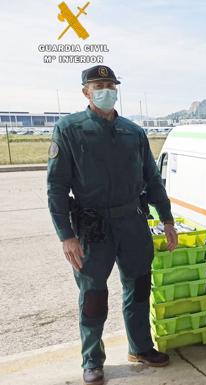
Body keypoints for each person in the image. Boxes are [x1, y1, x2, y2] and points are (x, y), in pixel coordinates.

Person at [47, 65, 178, 385]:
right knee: (93, 295)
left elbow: (152, 179)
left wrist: (167, 219)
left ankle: (141, 347)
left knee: (139, 286)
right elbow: (56, 187)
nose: (106, 90)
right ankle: (92, 359)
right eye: (98, 85)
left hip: (132, 221)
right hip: (92, 226)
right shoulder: (69, 129)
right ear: (85, 92)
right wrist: (67, 236)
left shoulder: (133, 132)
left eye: (110, 84)